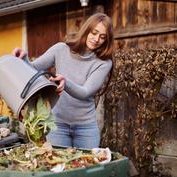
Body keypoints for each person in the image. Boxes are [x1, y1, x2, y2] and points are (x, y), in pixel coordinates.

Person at [13, 13, 114, 149]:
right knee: (59, 167)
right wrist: (23, 58)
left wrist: (66, 82)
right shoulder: (61, 49)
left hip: (86, 128)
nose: (96, 39)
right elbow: (33, 69)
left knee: (86, 168)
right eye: (94, 33)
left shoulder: (103, 63)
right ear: (86, 29)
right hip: (58, 125)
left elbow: (85, 92)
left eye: (102, 37)